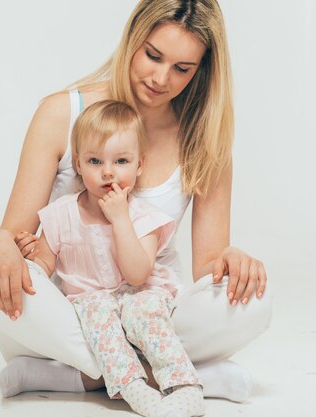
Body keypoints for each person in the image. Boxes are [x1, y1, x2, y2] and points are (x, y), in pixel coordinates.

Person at [0, 0, 272, 404]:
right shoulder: (63, 112)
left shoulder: (203, 139)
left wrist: (232, 261)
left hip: (151, 312)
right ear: (133, 37)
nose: (161, 78)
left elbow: (207, 266)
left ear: (202, 70)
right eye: (153, 55)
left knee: (255, 302)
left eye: (183, 68)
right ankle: (173, 371)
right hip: (74, 313)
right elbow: (16, 238)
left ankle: (78, 376)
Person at [29, 100, 203, 417]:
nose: (108, 172)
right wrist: (31, 263)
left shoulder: (143, 216)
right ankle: (133, 388)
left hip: (139, 293)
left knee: (145, 308)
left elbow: (138, 274)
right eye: (95, 160)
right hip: (91, 302)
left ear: (139, 165)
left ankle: (184, 386)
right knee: (96, 311)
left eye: (121, 161)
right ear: (78, 164)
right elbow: (42, 265)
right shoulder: (61, 214)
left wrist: (121, 219)